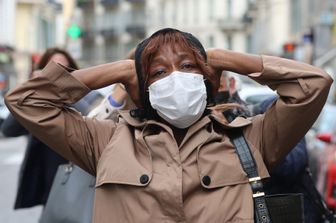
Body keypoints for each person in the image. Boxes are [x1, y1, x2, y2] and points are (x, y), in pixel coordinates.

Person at [4, 28, 332, 222]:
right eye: (159, 72)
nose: (175, 77)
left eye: (188, 65)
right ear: (144, 87)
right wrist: (119, 69)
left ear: (206, 77)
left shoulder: (251, 138)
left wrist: (224, 58)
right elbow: (26, 102)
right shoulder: (105, 141)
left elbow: (313, 84)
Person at [0, 47, 101, 210]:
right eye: (53, 69)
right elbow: (8, 130)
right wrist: (30, 90)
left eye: (64, 69)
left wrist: (65, 88)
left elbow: (93, 117)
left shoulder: (88, 94)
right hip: (45, 176)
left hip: (78, 175)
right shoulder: (37, 101)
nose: (58, 74)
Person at [257, 95, 324, 223]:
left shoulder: (294, 133)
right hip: (282, 208)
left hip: (298, 208)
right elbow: (289, 168)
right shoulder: (266, 138)